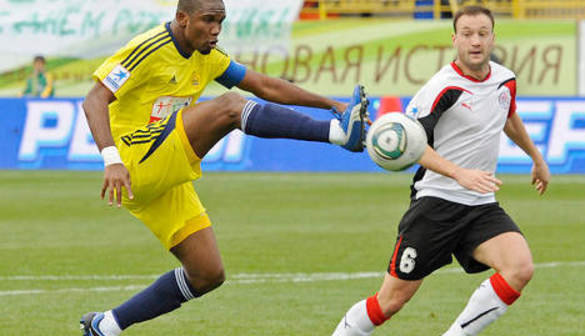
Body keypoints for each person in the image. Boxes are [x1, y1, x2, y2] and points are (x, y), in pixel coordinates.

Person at [78, 0, 368, 335]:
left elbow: (265, 86)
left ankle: (106, 326)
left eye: (221, 21)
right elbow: (94, 99)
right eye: (208, 20)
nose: (216, 29)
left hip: (161, 178)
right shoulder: (147, 48)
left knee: (207, 273)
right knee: (230, 107)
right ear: (182, 18)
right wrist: (111, 159)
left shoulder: (208, 57)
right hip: (133, 160)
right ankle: (337, 136)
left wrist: (333, 103)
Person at [332, 6, 551, 336]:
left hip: (480, 205)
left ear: (493, 38)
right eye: (466, 34)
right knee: (389, 302)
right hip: (435, 204)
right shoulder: (440, 88)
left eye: (481, 34)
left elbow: (507, 116)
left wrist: (537, 157)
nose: (474, 41)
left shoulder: (505, 80)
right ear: (455, 39)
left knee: (519, 267)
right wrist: (458, 173)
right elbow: (411, 146)